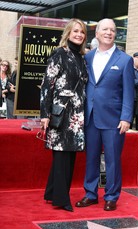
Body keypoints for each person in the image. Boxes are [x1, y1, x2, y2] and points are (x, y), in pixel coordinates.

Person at [75, 18, 134, 211]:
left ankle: (111, 196)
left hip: (114, 119)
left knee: (113, 159)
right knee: (90, 157)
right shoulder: (88, 58)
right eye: (105, 29)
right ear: (97, 33)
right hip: (90, 117)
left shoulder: (125, 60)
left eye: (113, 30)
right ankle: (90, 193)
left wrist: (126, 117)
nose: (109, 32)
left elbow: (129, 92)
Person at [40, 18, 88, 212]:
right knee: (61, 156)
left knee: (68, 156)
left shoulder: (81, 58)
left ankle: (51, 192)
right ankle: (61, 199)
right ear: (68, 33)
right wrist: (45, 114)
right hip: (60, 114)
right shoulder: (59, 54)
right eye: (75, 31)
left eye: (82, 32)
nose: (79, 34)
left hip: (76, 116)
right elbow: (46, 85)